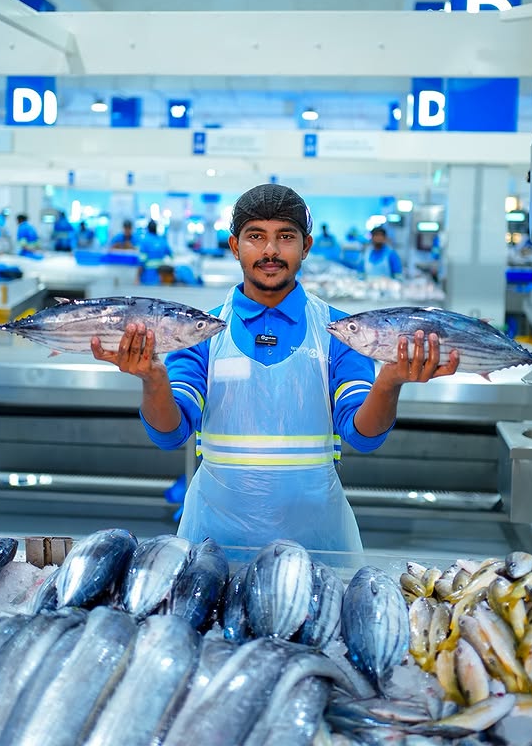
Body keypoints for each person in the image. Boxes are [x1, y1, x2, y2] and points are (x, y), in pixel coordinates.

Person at [91, 183, 459, 557]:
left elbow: (363, 437)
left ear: (306, 246)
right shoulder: (202, 331)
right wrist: (154, 379)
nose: (270, 250)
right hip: (214, 547)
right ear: (235, 247)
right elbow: (170, 434)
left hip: (318, 547)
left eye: (285, 236)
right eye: (256, 236)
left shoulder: (340, 331)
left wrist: (389, 381)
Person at [137, 220, 171, 284]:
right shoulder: (162, 240)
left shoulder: (145, 241)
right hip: (161, 275)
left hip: (148, 275)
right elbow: (171, 255)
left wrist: (137, 277)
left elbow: (142, 261)